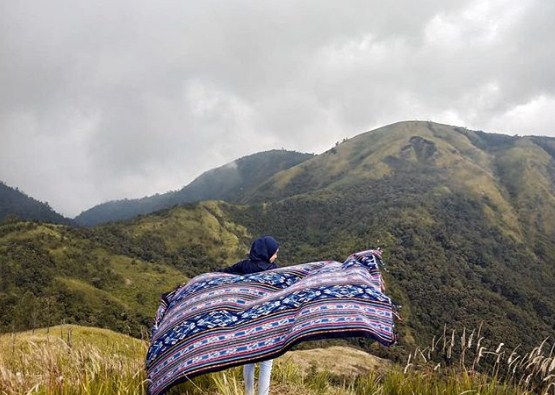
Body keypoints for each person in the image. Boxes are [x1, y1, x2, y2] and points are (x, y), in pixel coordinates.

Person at [220, 235, 279, 395]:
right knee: (267, 363)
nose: (276, 256)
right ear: (266, 253)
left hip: (247, 321)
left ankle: (248, 392)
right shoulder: (274, 271)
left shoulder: (245, 265)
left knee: (249, 359)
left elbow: (223, 274)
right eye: (274, 253)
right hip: (266, 323)